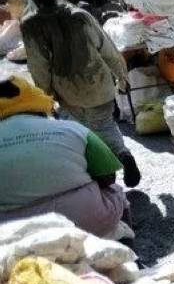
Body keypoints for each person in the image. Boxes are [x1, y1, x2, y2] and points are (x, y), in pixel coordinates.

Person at [20, 0, 139, 187]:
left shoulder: (31, 25)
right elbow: (107, 49)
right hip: (99, 83)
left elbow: (39, 67)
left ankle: (102, 173)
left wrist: (46, 96)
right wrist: (122, 76)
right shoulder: (80, 16)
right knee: (105, 124)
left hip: (68, 91)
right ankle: (122, 154)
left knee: (81, 132)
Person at [0, 76, 128, 237]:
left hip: (15, 233)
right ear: (38, 102)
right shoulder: (74, 129)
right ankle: (130, 248)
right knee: (116, 192)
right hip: (85, 220)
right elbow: (108, 178)